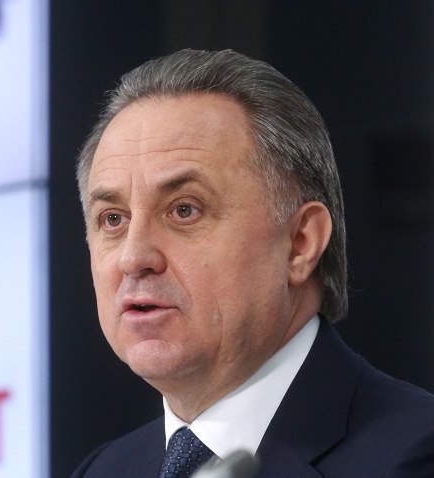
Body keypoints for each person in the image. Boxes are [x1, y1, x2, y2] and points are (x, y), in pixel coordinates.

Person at [70, 49, 434, 477]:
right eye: (113, 219)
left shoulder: (413, 456)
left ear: (299, 243)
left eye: (184, 210)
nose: (134, 258)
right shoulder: (104, 469)